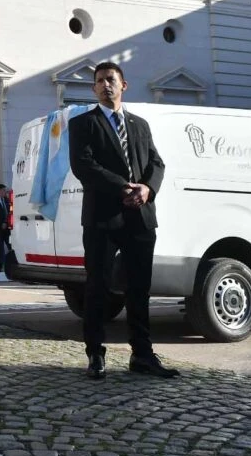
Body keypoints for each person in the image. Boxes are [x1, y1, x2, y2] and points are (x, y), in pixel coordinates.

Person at [68, 60, 178, 380]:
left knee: (139, 289)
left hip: (140, 217)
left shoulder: (140, 125)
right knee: (98, 287)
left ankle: (142, 355)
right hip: (103, 217)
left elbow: (156, 163)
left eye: (111, 80)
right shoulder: (83, 124)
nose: (106, 85)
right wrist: (123, 188)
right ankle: (96, 353)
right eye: (100, 81)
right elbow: (83, 166)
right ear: (94, 88)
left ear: (123, 85)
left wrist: (147, 188)